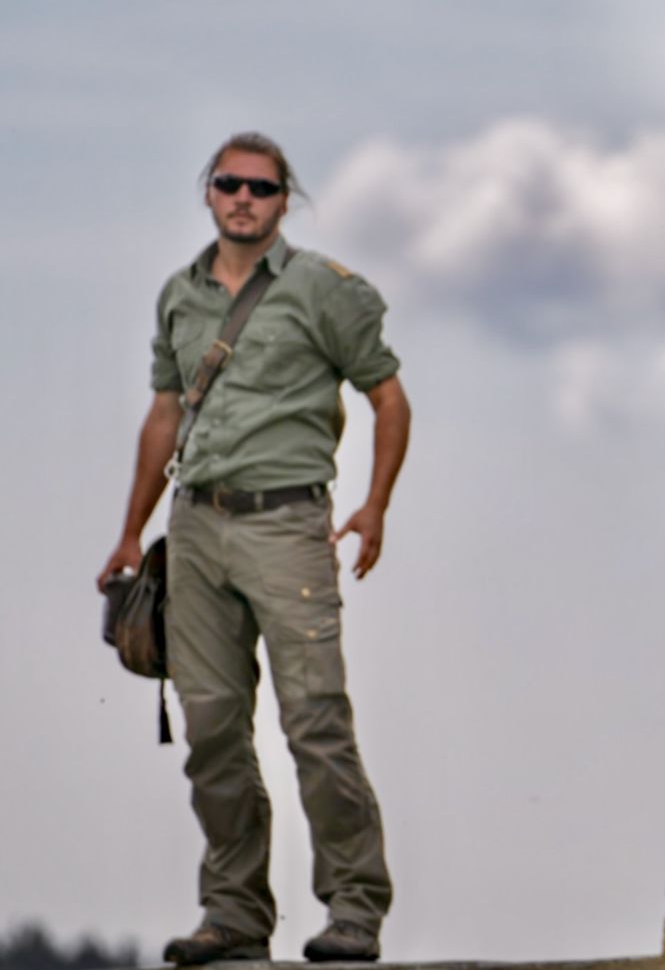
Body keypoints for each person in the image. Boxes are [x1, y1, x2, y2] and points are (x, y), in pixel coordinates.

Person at [97, 133, 411, 965]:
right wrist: (133, 531)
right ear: (208, 192)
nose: (244, 197)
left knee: (315, 721)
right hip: (195, 527)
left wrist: (374, 506)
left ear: (284, 200)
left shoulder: (325, 291)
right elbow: (164, 414)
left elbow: (389, 397)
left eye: (262, 188)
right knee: (210, 729)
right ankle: (234, 911)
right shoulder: (179, 293)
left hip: (287, 525)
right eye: (229, 183)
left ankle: (354, 907)